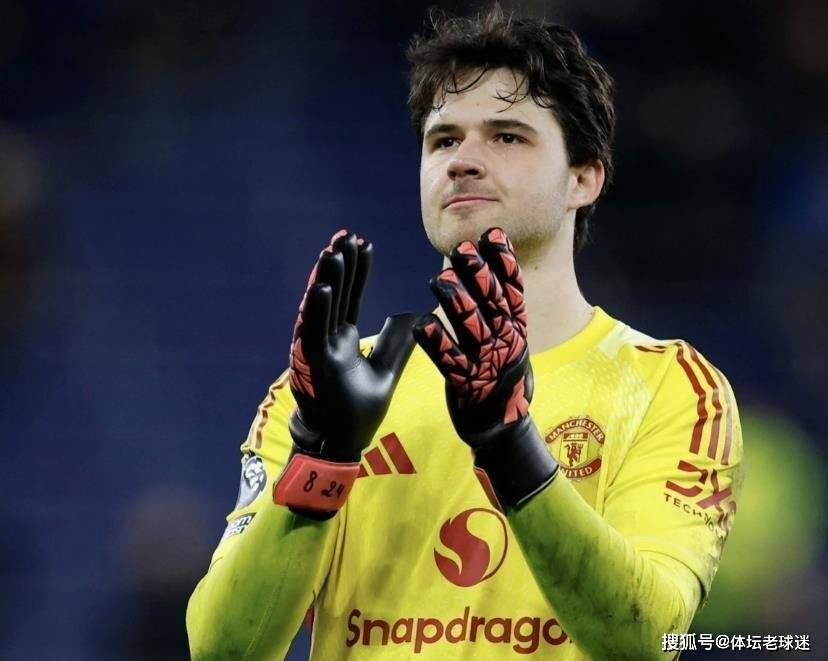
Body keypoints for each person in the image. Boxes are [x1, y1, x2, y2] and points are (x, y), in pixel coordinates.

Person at [186, 5, 744, 659]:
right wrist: (323, 459)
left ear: (583, 178)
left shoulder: (671, 387)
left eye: (507, 137)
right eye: (443, 140)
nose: (463, 161)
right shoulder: (321, 392)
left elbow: (647, 639)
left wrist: (509, 444)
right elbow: (224, 650)